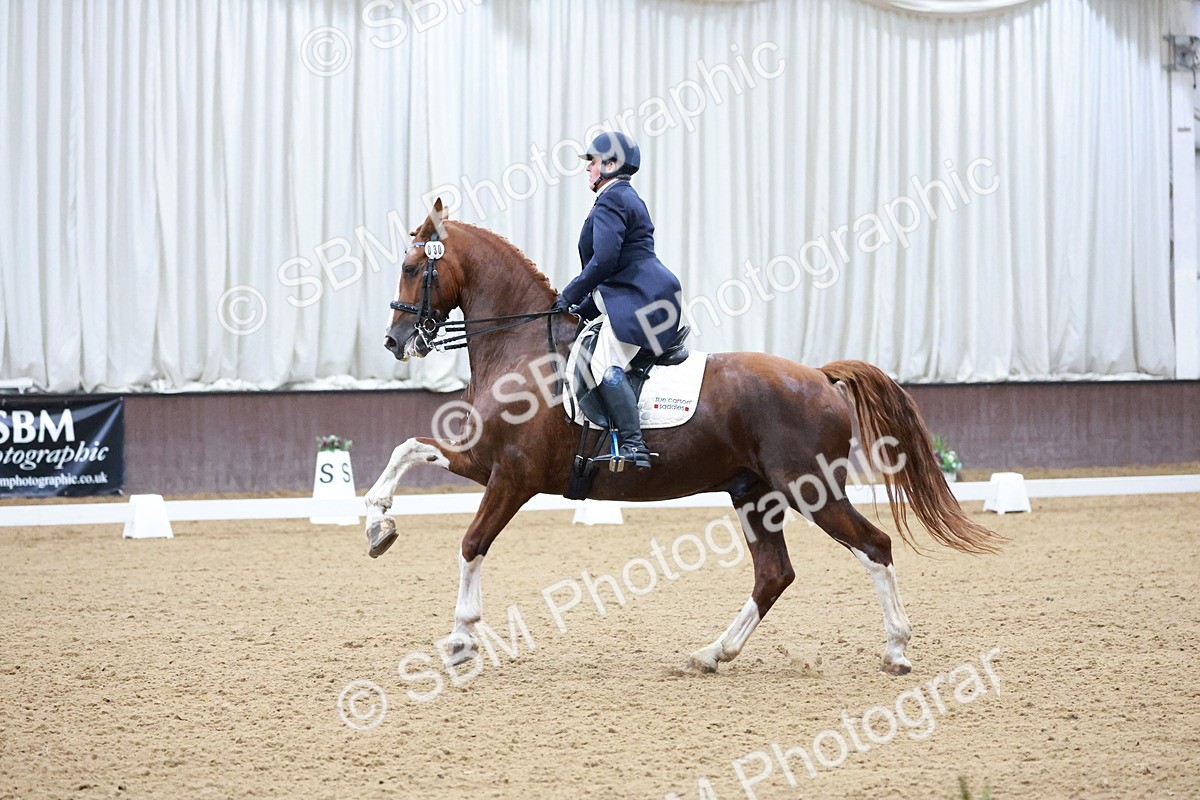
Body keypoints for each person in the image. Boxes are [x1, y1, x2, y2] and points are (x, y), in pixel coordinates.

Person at [552, 132, 682, 471]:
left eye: (592, 162)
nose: (588, 169)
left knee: (602, 365)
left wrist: (568, 295)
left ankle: (633, 445)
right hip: (637, 296)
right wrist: (579, 309)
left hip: (640, 300)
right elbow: (613, 274)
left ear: (610, 165)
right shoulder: (621, 197)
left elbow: (605, 261)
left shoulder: (612, 199)